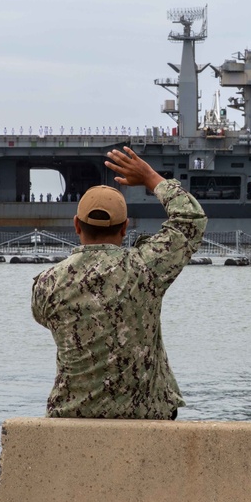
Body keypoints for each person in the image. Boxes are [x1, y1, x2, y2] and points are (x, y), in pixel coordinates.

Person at [32, 146, 207, 419]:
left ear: (76, 225)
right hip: (144, 417)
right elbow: (191, 220)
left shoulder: (47, 284)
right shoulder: (146, 269)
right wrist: (151, 177)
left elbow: (45, 318)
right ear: (125, 228)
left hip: (71, 418)